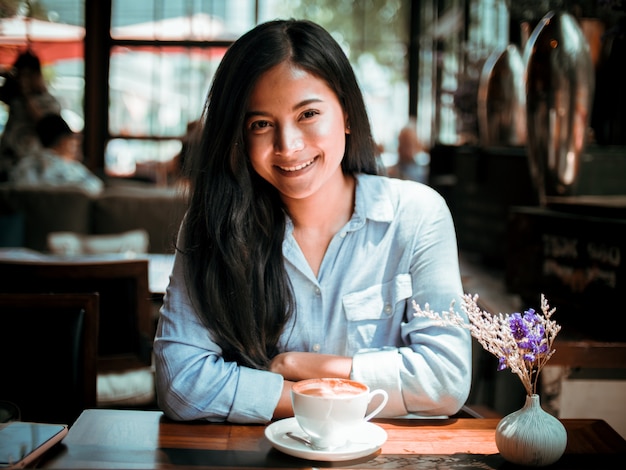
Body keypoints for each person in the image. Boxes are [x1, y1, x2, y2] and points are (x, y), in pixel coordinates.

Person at [153, 19, 471, 424]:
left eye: (308, 113)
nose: (289, 146)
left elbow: (446, 379)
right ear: (239, 136)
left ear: (347, 115)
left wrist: (296, 366)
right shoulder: (212, 228)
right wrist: (323, 398)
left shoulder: (416, 216)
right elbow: (180, 382)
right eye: (261, 124)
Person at [0, 50, 62, 181]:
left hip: (31, 163)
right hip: (7, 160)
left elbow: (44, 124)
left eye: (28, 75)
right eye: (21, 75)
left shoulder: (49, 101)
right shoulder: (15, 98)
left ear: (36, 75)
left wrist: (26, 93)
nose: (24, 79)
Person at [9, 113, 104, 195]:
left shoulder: (22, 167)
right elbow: (97, 189)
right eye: (73, 141)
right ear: (64, 141)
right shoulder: (73, 169)